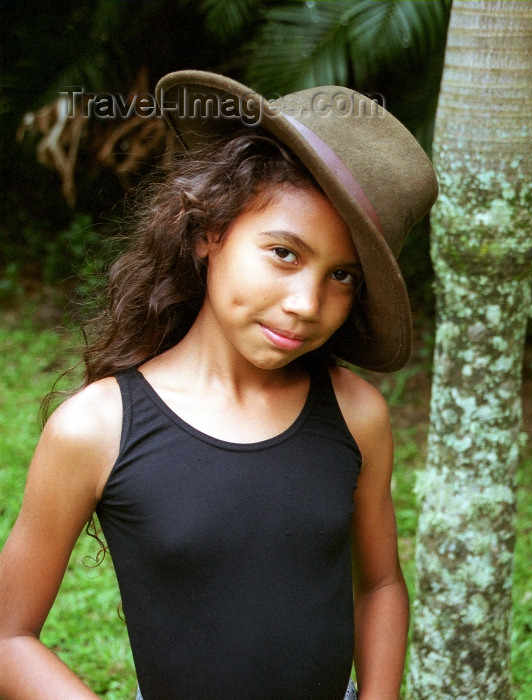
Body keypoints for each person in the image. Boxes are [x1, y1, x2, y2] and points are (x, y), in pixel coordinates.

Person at [0, 71, 437, 700]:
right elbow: (12, 636)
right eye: (285, 253)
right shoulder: (97, 428)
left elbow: (382, 586)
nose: (306, 303)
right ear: (210, 232)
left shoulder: (355, 414)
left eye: (341, 275)